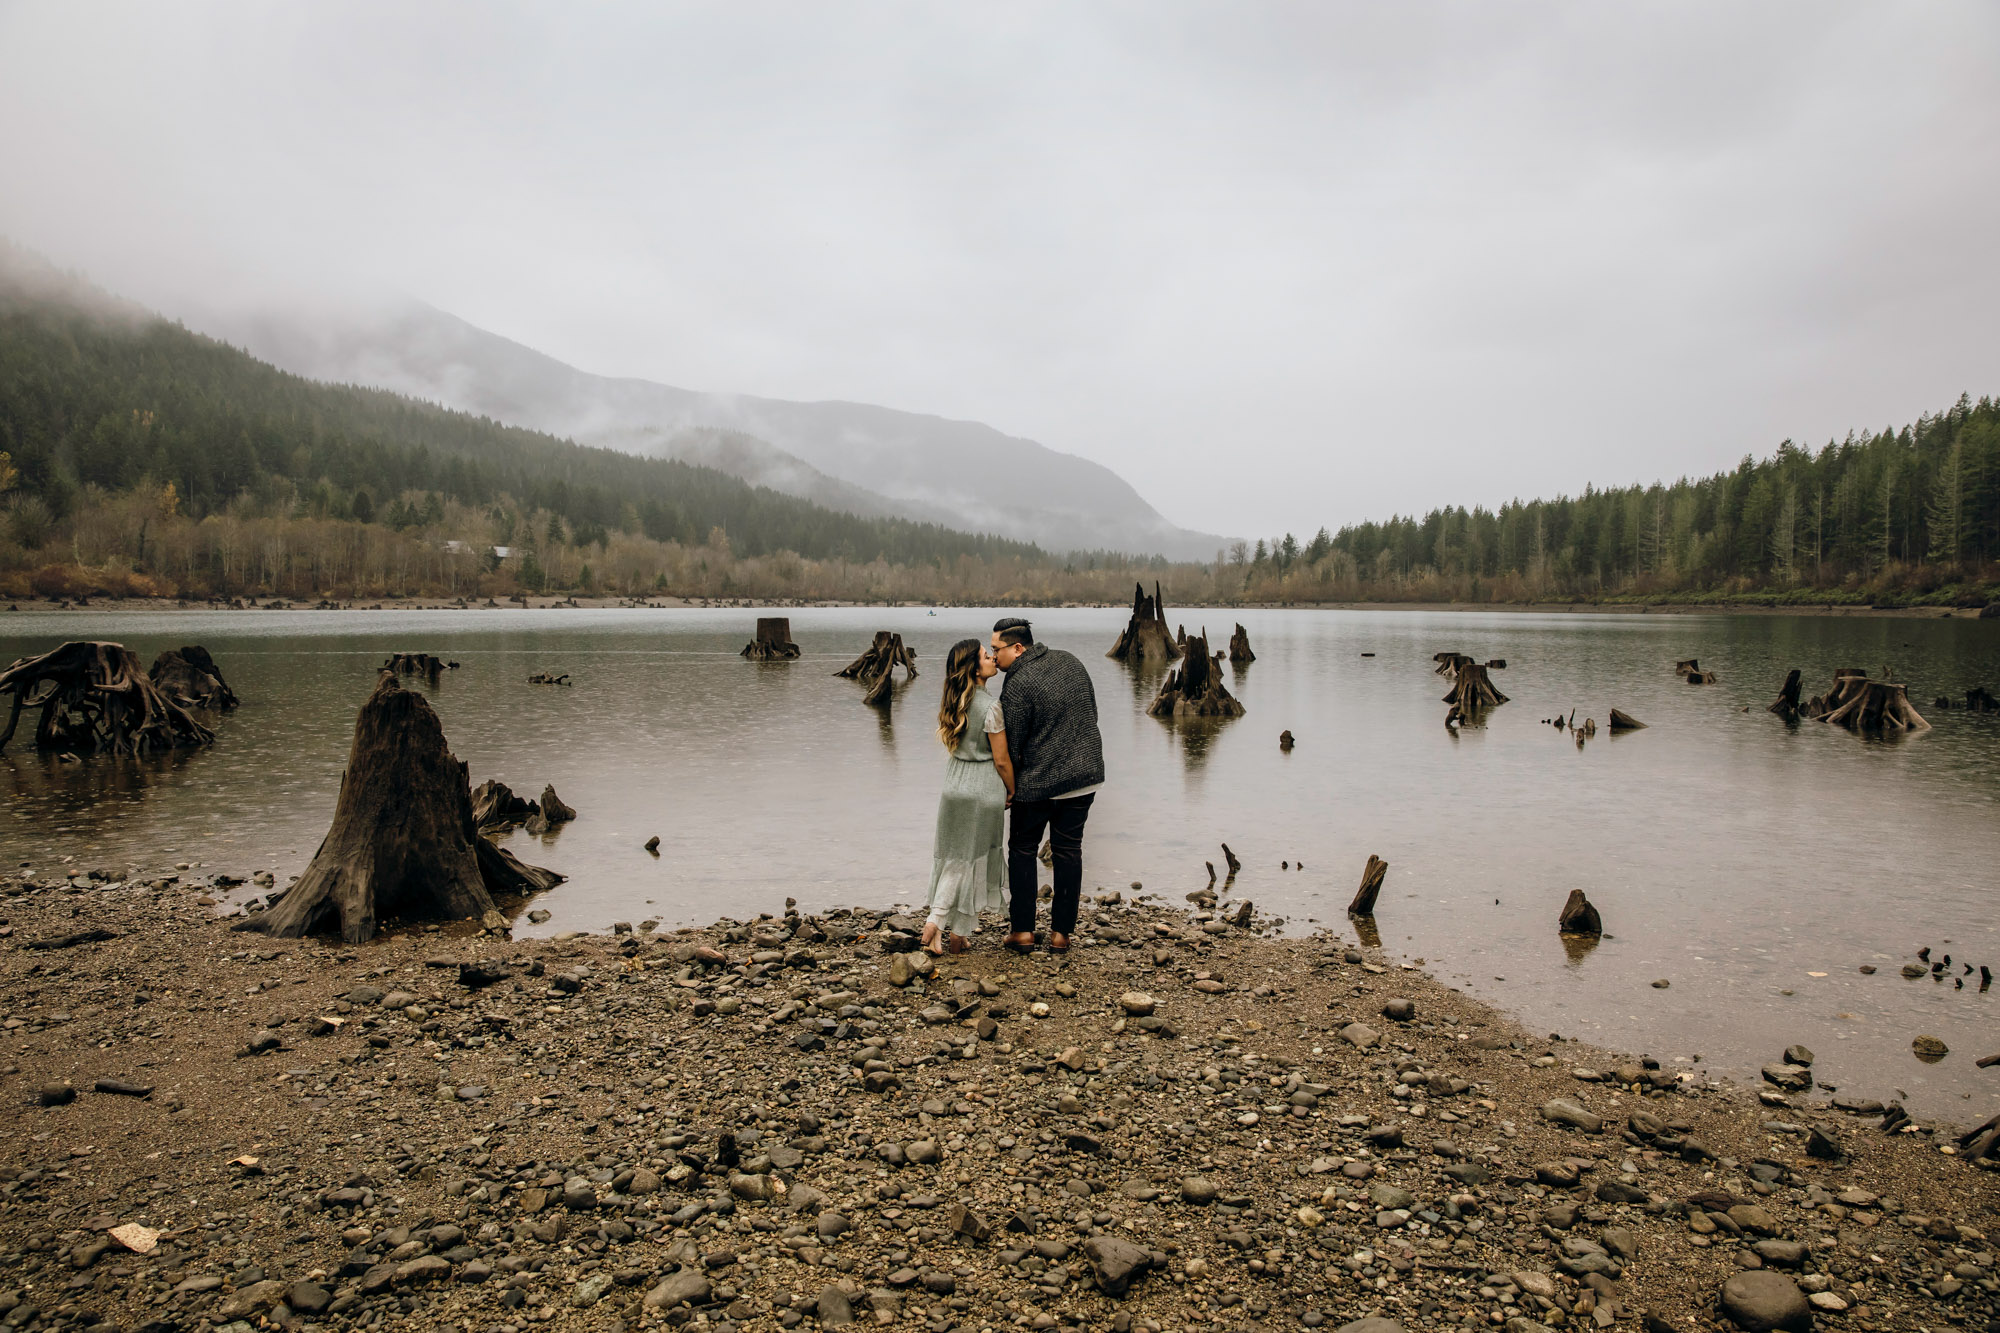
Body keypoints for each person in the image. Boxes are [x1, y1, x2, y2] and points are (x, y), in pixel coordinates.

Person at [991, 616, 1104, 954]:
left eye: (997, 650)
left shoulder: (1017, 681)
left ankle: (1023, 931)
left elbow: (1013, 744)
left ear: (1018, 647)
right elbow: (1091, 713)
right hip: (1084, 778)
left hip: (1038, 784)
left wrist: (1011, 787)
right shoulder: (1070, 659)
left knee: (1023, 850)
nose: (994, 656)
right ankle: (1061, 935)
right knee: (1069, 852)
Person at [920, 638, 1015, 956]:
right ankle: (935, 921)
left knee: (954, 858)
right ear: (975, 669)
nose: (991, 657)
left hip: (954, 787)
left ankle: (959, 936)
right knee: (970, 861)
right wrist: (1013, 789)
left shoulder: (954, 702)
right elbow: (1001, 760)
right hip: (983, 790)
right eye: (985, 655)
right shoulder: (991, 707)